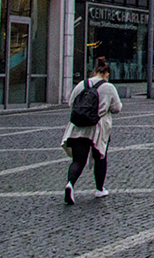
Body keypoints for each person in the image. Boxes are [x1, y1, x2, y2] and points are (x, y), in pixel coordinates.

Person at [61, 57, 122, 205]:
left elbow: (71, 101)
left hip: (78, 127)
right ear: (106, 74)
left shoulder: (82, 84)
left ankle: (70, 184)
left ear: (94, 72)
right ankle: (100, 189)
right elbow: (117, 108)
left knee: (78, 160)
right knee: (100, 157)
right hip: (98, 128)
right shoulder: (109, 87)